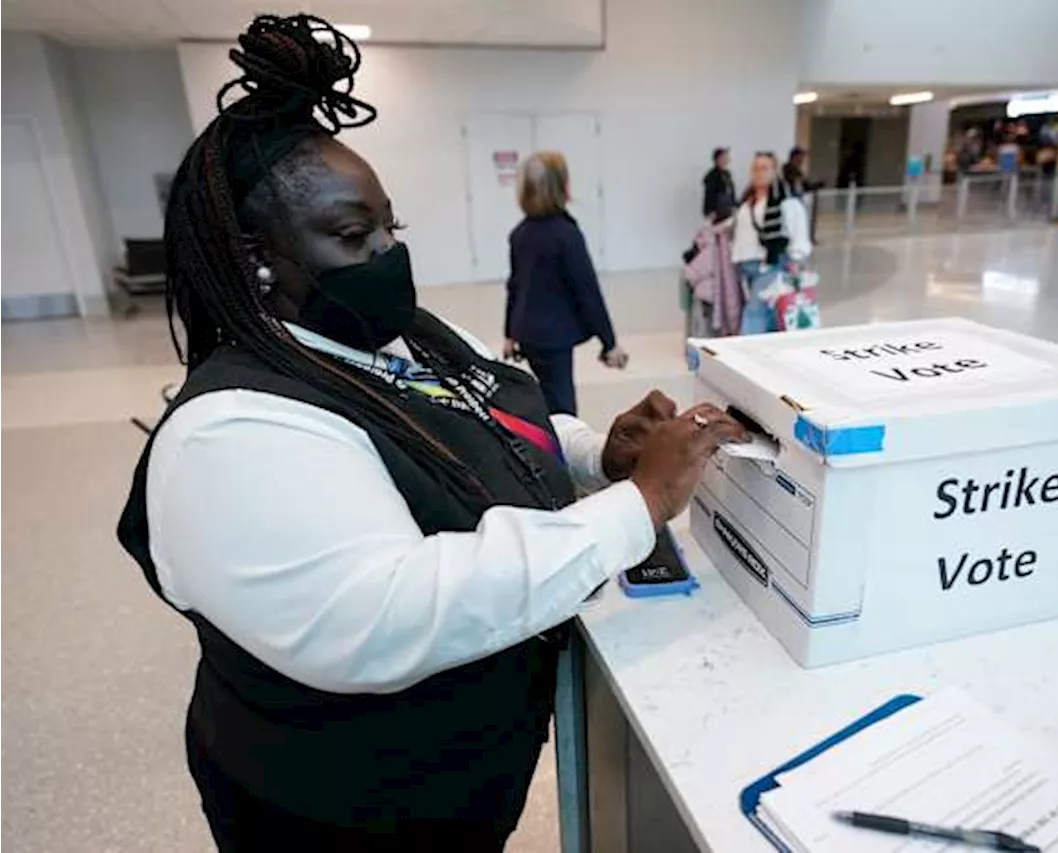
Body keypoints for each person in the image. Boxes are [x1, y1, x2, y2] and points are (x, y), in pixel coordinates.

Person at [116, 14, 744, 851]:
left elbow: (477, 422)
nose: (386, 254)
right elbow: (393, 609)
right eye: (351, 235)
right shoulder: (231, 432)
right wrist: (638, 504)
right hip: (338, 809)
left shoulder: (405, 335)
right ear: (252, 255)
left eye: (391, 228)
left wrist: (596, 455)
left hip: (463, 779)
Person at [504, 151, 625, 417]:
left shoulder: (520, 234)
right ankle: (558, 455)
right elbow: (587, 292)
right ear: (563, 187)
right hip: (553, 338)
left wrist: (510, 333)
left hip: (527, 334)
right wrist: (610, 343)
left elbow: (514, 287)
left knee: (547, 398)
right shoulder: (567, 235)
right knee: (562, 407)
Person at [731, 152, 812, 334]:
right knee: (768, 313)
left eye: (764, 168)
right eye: (755, 168)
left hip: (772, 265)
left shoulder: (787, 202)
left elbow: (798, 234)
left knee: (754, 312)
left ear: (775, 171)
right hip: (746, 265)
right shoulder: (747, 202)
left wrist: (796, 261)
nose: (759, 173)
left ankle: (748, 354)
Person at [782, 146, 822, 244]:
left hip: (798, 200)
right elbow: (799, 183)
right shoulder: (789, 168)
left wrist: (817, 185)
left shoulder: (797, 170)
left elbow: (805, 186)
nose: (803, 159)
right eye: (801, 156)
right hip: (790, 201)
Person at [702, 147, 736, 220]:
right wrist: (711, 211)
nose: (726, 159)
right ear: (718, 159)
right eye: (724, 157)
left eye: (727, 157)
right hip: (716, 212)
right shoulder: (712, 176)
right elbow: (709, 195)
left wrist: (734, 206)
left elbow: (731, 193)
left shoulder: (727, 174)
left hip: (727, 211)